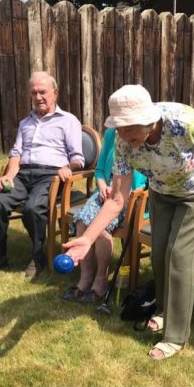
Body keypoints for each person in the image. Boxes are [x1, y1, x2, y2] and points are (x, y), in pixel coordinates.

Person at [65, 84, 194, 360]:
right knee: (160, 252)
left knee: (179, 254)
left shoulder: (183, 123)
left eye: (128, 128)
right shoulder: (123, 142)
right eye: (118, 128)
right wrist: (87, 238)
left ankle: (175, 336)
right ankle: (162, 309)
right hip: (162, 190)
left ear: (148, 120)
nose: (122, 135)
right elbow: (116, 199)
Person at [0, 72, 84, 279]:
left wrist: (68, 167)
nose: (38, 97)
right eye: (34, 93)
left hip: (52, 175)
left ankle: (37, 257)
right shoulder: (26, 122)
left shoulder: (68, 121)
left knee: (33, 208)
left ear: (55, 93)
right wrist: (8, 176)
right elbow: (16, 154)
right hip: (24, 174)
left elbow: (79, 158)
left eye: (42, 92)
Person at [61, 126, 148, 304]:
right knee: (82, 221)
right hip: (105, 192)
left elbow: (147, 181)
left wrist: (124, 191)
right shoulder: (111, 134)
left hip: (131, 196)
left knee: (99, 227)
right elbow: (100, 170)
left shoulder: (143, 137)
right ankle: (85, 278)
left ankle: (100, 280)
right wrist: (101, 186)